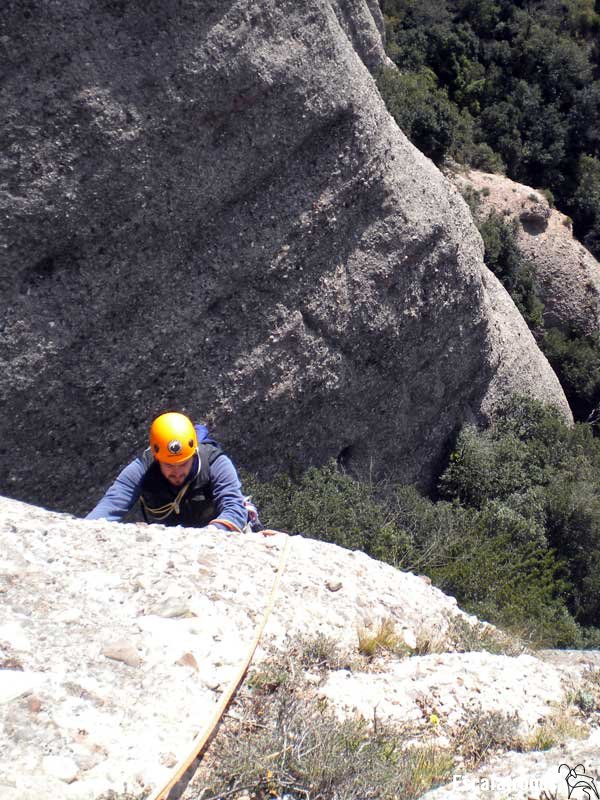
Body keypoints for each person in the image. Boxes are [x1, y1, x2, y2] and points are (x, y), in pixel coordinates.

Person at [86, 411, 252, 532]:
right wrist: (83, 530)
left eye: (183, 463)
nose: (177, 472)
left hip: (215, 533)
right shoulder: (144, 467)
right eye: (169, 465)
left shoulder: (215, 462)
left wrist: (212, 534)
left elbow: (234, 507)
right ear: (157, 458)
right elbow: (110, 505)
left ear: (194, 454)